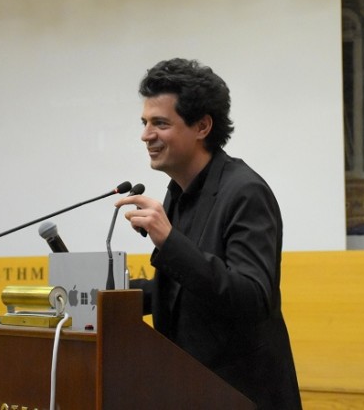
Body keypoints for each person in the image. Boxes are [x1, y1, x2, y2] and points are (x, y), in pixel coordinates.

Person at [115, 58, 302, 409]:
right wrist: (108, 294)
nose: (146, 135)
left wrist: (169, 241)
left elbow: (252, 298)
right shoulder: (177, 193)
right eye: (144, 123)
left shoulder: (245, 191)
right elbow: (184, 293)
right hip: (189, 390)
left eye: (160, 123)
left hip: (242, 395)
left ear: (202, 126)